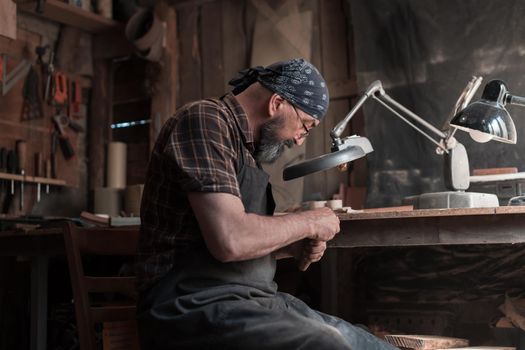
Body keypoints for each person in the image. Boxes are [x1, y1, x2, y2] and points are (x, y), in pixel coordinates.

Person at [136, 58, 397, 349]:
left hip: (249, 300)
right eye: (306, 126)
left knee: (366, 343)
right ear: (276, 103)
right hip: (189, 304)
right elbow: (230, 239)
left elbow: (229, 239)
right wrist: (308, 222)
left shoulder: (246, 148)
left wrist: (290, 244)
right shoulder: (204, 121)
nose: (299, 141)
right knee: (326, 342)